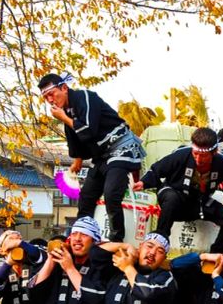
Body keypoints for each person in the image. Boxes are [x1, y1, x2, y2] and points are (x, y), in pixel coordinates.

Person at [38, 72, 146, 242]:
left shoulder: (86, 97)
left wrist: (65, 118)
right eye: (46, 97)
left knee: (111, 195)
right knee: (86, 198)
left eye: (51, 94)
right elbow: (73, 135)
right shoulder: (66, 111)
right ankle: (81, 237)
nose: (50, 100)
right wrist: (78, 160)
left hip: (121, 148)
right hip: (102, 157)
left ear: (64, 88)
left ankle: (116, 240)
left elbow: (88, 130)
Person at [133, 127, 223, 253]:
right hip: (175, 196)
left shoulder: (222, 163)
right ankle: (160, 243)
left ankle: (215, 253)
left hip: (199, 203)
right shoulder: (181, 155)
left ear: (214, 152)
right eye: (195, 154)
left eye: (203, 156)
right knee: (171, 198)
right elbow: (157, 169)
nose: (198, 160)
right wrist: (143, 182)